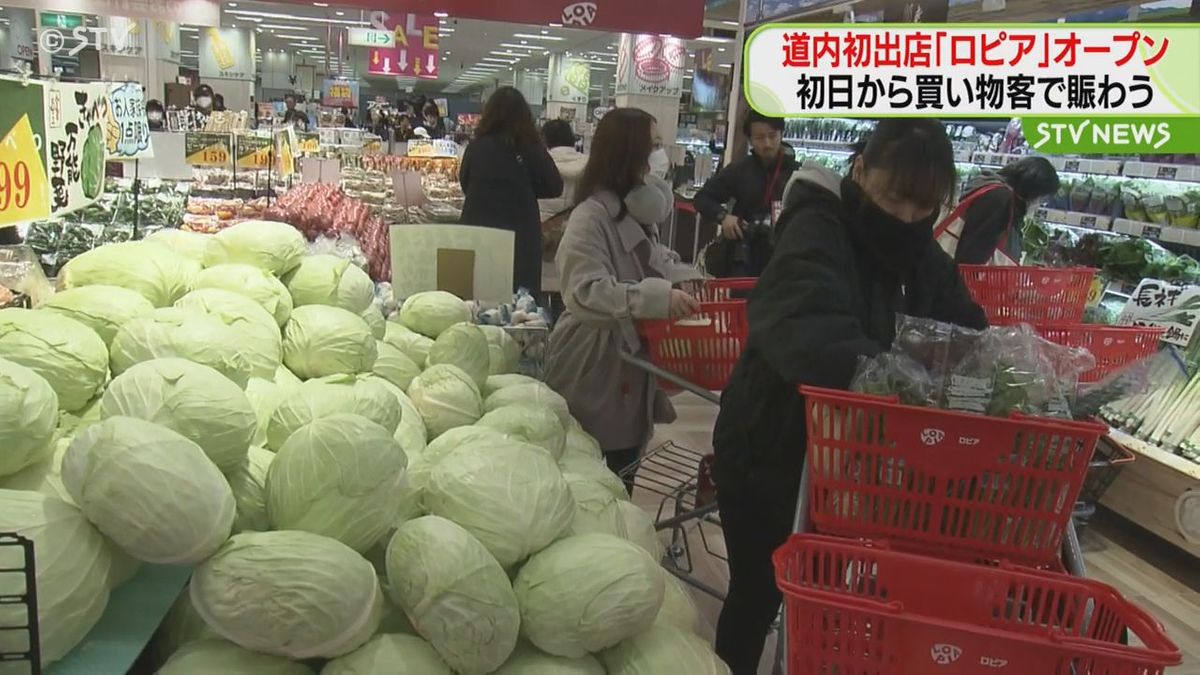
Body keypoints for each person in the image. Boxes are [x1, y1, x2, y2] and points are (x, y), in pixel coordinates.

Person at [711, 119, 988, 675]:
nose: (907, 219)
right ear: (861, 171)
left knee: (828, 603)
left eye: (923, 208)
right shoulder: (816, 228)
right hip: (771, 445)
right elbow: (808, 329)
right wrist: (900, 381)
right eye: (894, 199)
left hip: (852, 469)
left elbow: (966, 330)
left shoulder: (918, 252)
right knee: (757, 596)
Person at [544, 108, 701, 489]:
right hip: (594, 364)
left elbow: (650, 264)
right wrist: (653, 298)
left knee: (623, 473)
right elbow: (585, 291)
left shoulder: (636, 212)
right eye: (654, 148)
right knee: (593, 480)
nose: (659, 161)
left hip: (630, 365)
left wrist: (684, 276)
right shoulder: (590, 217)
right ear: (629, 153)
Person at [459, 86, 563, 296]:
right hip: (520, 231)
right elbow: (555, 186)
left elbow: (465, 183)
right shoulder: (531, 148)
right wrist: (526, 188)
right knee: (520, 298)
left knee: (476, 291)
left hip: (477, 227)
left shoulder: (476, 147)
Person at [695, 111, 799, 278]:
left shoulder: (797, 174)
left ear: (782, 134)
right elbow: (702, 198)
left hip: (783, 258)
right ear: (750, 140)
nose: (767, 144)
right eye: (759, 138)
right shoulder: (740, 170)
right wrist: (724, 217)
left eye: (772, 136)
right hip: (742, 257)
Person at [937, 156, 1061, 265]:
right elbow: (973, 254)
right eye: (1042, 198)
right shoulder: (999, 197)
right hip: (954, 276)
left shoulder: (990, 185)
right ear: (1034, 190)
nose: (1039, 204)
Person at [537, 119, 587, 223]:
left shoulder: (539, 162)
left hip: (541, 225)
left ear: (545, 138)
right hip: (574, 226)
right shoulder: (588, 164)